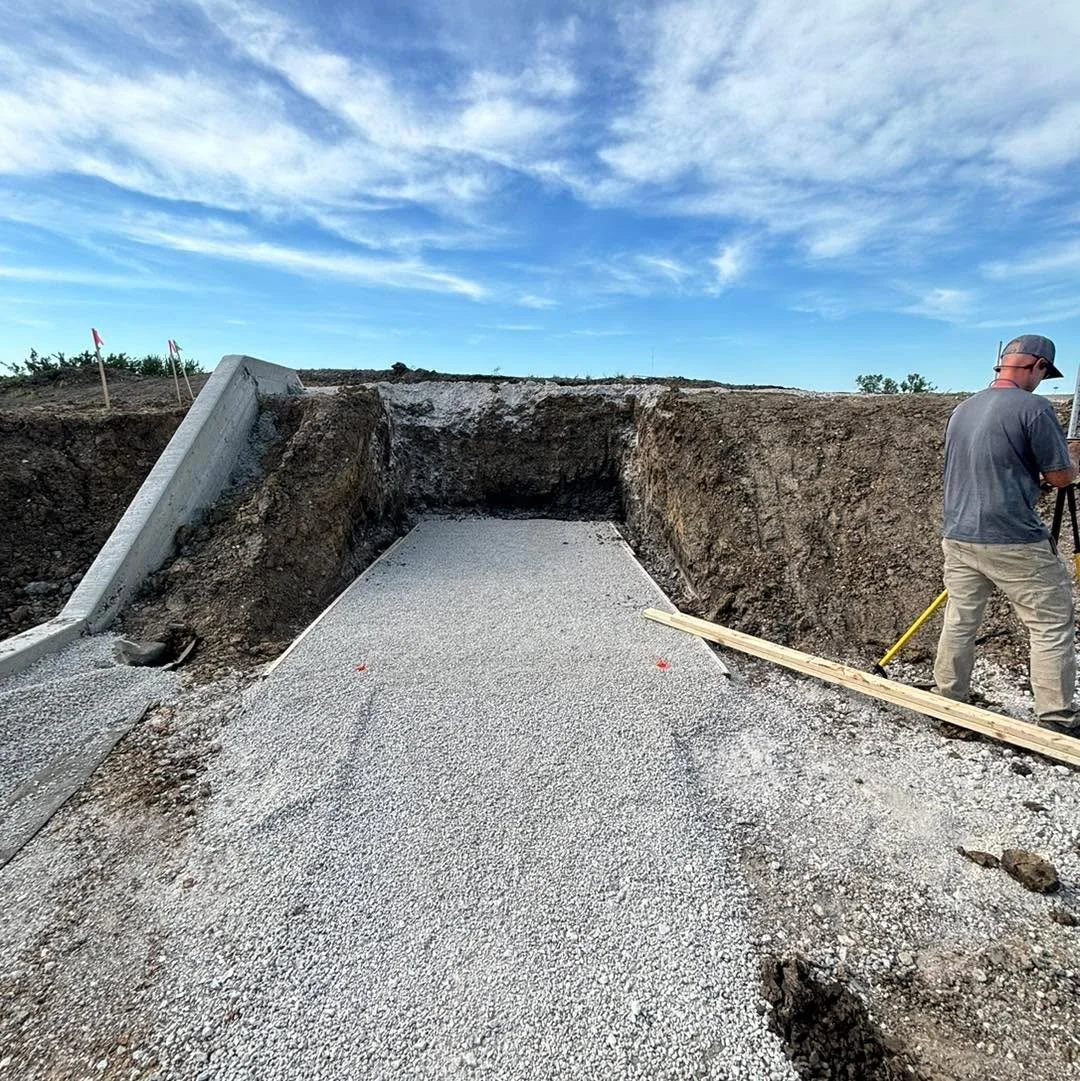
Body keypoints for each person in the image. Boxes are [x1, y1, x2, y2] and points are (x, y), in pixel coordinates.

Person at [933, 334, 1079, 735]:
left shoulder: (963, 409)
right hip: (1013, 537)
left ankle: (949, 703)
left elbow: (993, 465)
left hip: (959, 534)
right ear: (1037, 366)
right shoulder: (1035, 409)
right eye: (1044, 374)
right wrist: (1072, 461)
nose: (1042, 382)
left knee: (960, 619)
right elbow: (1061, 476)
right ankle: (1056, 720)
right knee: (1050, 623)